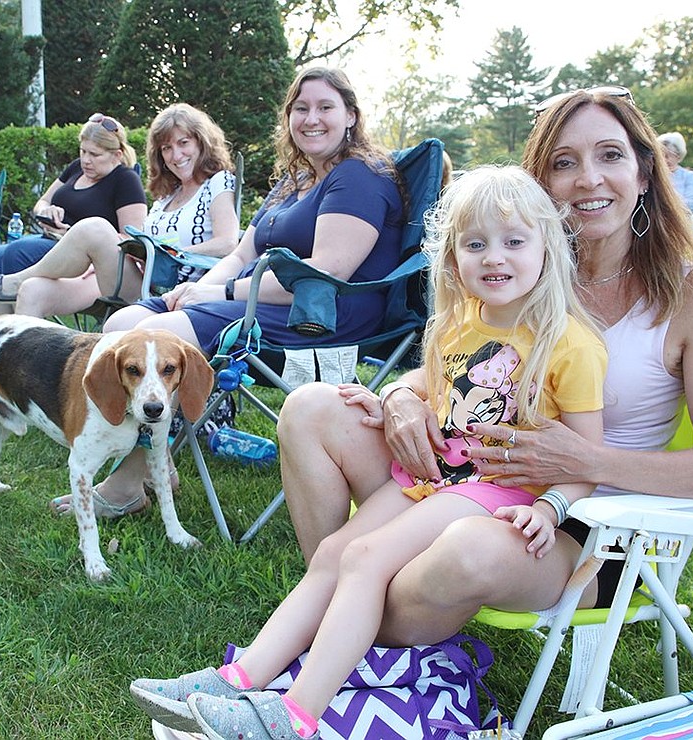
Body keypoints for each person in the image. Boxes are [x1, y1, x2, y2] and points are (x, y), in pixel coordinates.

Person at [271, 85, 693, 667]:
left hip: (582, 531)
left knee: (461, 551)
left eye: (610, 155)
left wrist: (584, 463)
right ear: (540, 186)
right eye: (564, 163)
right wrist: (400, 396)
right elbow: (459, 367)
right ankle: (325, 615)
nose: (589, 179)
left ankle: (327, 644)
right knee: (311, 407)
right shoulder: (518, 269)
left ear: (645, 172)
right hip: (462, 478)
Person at [129, 165, 608, 739]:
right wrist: (388, 401)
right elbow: (435, 392)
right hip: (438, 476)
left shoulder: (569, 343)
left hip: (499, 490)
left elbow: (586, 458)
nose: (493, 258)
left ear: (547, 247)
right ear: (452, 256)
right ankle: (240, 678)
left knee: (364, 559)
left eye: (513, 242)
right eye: (474, 244)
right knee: (335, 551)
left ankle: (295, 715)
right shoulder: (459, 325)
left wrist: (550, 509)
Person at [90, 67, 404, 516]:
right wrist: (198, 288)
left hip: (319, 315)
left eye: (325, 107)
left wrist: (225, 295)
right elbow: (240, 254)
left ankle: (128, 483)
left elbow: (325, 272)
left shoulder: (357, 177)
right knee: (121, 325)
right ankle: (151, 461)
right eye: (300, 109)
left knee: (157, 337)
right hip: (255, 298)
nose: (311, 118)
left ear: (351, 116)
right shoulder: (294, 180)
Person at [0, 103, 239, 319]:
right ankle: (18, 376)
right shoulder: (167, 197)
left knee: (96, 227)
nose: (176, 155)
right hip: (143, 280)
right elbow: (140, 243)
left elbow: (227, 243)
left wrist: (167, 253)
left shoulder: (217, 182)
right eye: (167, 148)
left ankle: (12, 281)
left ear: (201, 143)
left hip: (175, 293)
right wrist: (110, 255)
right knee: (33, 291)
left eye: (184, 143)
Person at [0, 113, 147, 315]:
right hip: (49, 238)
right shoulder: (76, 168)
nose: (86, 160)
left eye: (95, 154)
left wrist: (72, 232)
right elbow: (42, 202)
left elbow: (131, 238)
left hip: (81, 257)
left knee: (17, 252)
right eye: (83, 151)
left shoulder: (125, 180)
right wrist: (47, 211)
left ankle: (20, 326)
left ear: (116, 155)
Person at [658, 131, 693, 233]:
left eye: (667, 156)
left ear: (678, 157)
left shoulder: (690, 177)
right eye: (659, 155)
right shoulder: (650, 176)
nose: (662, 159)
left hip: (683, 229)